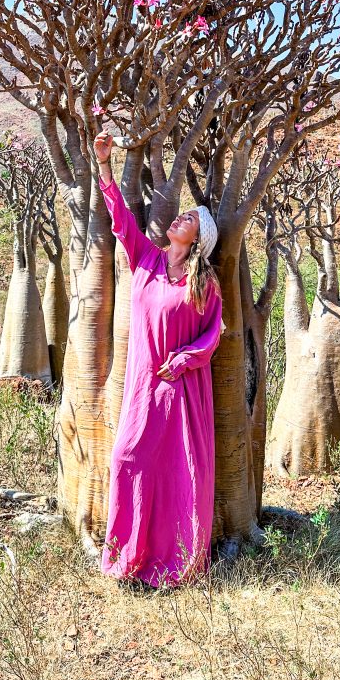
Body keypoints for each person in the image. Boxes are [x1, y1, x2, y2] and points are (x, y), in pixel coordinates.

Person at [95, 129, 223, 589]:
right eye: (181, 215)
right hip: (142, 388)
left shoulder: (203, 283)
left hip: (183, 393)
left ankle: (173, 564)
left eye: (188, 218)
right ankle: (129, 556)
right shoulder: (146, 259)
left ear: (198, 238)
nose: (178, 218)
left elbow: (212, 336)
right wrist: (105, 166)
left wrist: (185, 360)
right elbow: (121, 221)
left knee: (177, 474)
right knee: (128, 458)